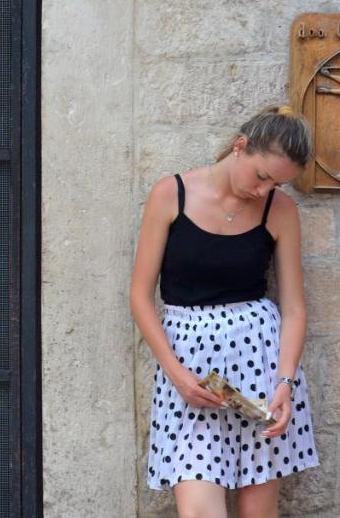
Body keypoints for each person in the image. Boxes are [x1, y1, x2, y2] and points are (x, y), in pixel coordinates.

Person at [130, 105, 318, 517]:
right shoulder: (171, 194)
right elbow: (141, 296)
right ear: (240, 147)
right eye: (262, 176)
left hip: (260, 368)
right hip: (190, 370)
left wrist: (285, 381)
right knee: (199, 510)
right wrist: (176, 375)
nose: (264, 191)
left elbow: (294, 307)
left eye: (278, 184)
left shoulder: (280, 211)